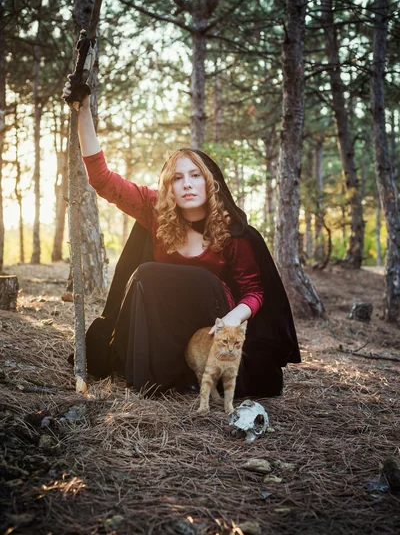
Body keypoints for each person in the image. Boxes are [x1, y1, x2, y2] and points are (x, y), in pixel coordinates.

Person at [63, 81, 301, 397]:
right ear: (169, 187)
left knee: (201, 280)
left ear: (209, 182)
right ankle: (155, 376)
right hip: (164, 323)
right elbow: (103, 180)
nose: (186, 184)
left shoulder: (231, 230)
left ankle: (201, 371)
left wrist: (231, 319)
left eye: (195, 175)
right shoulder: (154, 209)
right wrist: (84, 111)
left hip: (212, 323)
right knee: (147, 275)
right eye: (177, 177)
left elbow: (255, 292)